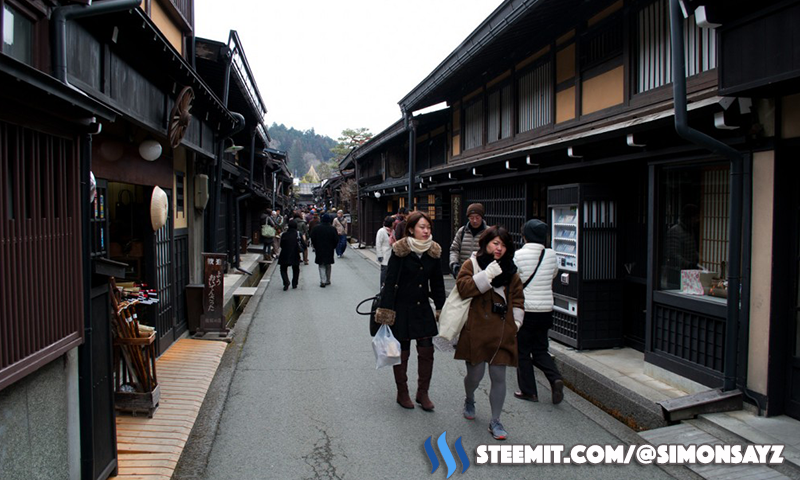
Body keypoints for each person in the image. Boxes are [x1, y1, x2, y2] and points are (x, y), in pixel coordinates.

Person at [454, 225, 524, 440]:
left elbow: (519, 299)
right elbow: (463, 288)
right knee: (475, 376)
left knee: (498, 376)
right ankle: (469, 397)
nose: (499, 248)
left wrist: (516, 323)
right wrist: (487, 275)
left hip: (502, 331)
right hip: (476, 329)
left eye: (503, 245)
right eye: (495, 243)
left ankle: (496, 420)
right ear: (485, 244)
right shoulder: (472, 264)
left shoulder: (511, 271)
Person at [375, 212, 446, 411]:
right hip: (402, 308)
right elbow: (389, 283)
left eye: (428, 227)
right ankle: (402, 391)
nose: (426, 231)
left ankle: (423, 392)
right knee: (402, 353)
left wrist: (441, 307)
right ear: (411, 229)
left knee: (426, 351)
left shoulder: (433, 251)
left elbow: (438, 284)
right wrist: (386, 312)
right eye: (422, 227)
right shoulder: (400, 251)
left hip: (422, 308)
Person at [513, 219, 564, 404]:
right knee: (541, 348)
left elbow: (515, 279)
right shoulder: (551, 254)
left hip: (526, 310)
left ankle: (529, 391)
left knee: (523, 351)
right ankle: (555, 377)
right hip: (546, 309)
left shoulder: (518, 255)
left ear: (525, 235)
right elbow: (554, 274)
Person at [449, 203, 488, 278]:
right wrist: (454, 263)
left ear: (482, 217)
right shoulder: (462, 231)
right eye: (471, 218)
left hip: (482, 273)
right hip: (464, 272)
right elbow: (454, 249)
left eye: (477, 217)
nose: (474, 220)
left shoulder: (488, 232)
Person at [310, 213, 339, 287]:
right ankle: (328, 280)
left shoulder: (316, 228)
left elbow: (312, 238)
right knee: (328, 264)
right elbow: (336, 239)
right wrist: (333, 246)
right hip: (329, 248)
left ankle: (322, 280)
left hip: (319, 248)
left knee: (321, 264)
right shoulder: (332, 229)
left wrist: (315, 246)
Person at [278, 220, 302, 291]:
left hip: (285, 253)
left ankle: (286, 282)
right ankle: (294, 283)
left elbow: (281, 245)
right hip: (295, 253)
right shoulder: (298, 234)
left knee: (283, 268)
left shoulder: (284, 234)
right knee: (296, 268)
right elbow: (303, 243)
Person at [375, 216, 394, 287]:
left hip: (391, 253)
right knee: (384, 271)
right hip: (384, 254)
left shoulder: (392, 231)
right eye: (393, 223)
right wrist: (379, 255)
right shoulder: (381, 231)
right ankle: (382, 286)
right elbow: (378, 243)